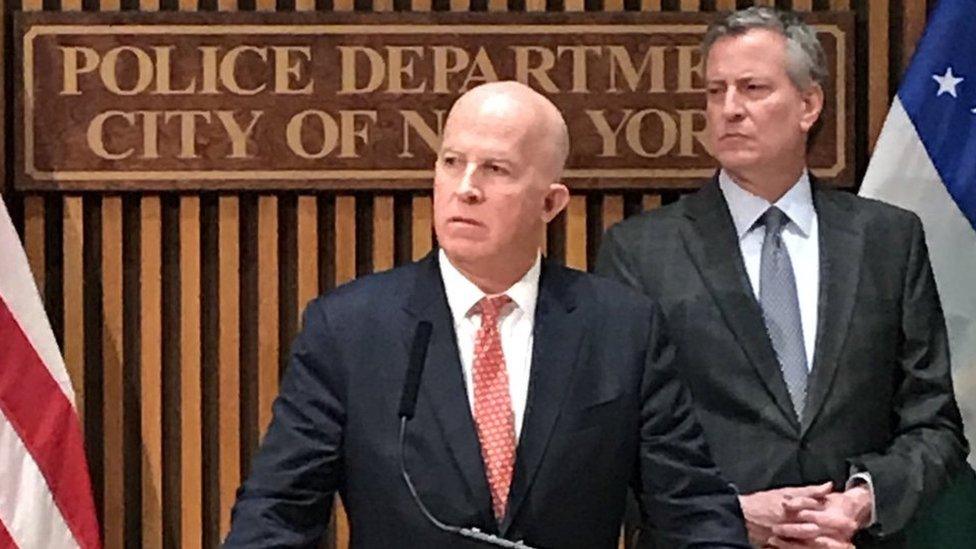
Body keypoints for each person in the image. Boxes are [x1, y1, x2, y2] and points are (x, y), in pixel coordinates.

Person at [224, 81, 749, 548]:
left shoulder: (621, 330)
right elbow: (277, 513)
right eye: (451, 162)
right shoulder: (350, 329)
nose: (465, 187)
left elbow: (693, 512)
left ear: (551, 203)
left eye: (495, 169)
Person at [596, 7, 968, 549]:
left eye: (752, 88)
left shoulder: (888, 240)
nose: (729, 109)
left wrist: (862, 500)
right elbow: (614, 442)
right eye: (715, 91)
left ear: (809, 104)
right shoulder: (640, 251)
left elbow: (934, 425)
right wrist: (727, 512)